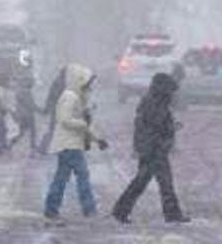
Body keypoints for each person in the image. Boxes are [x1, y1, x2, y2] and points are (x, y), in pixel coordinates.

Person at [112, 73, 190, 224]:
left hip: (152, 148)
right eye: (170, 90)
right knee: (162, 182)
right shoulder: (154, 103)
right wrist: (171, 129)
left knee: (143, 182)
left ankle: (121, 211)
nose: (172, 94)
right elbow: (155, 127)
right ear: (163, 89)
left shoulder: (154, 101)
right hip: (154, 149)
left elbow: (150, 126)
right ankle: (172, 215)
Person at [43, 63, 107, 223]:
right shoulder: (71, 97)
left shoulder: (74, 96)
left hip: (68, 144)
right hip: (69, 145)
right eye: (88, 83)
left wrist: (97, 139)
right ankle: (89, 209)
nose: (90, 87)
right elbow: (65, 120)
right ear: (80, 81)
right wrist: (84, 123)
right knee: (82, 176)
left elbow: (81, 124)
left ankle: (51, 209)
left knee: (61, 178)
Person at [36, 64, 67, 155]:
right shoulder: (60, 83)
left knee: (55, 129)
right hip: (59, 110)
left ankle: (44, 147)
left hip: (58, 109)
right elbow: (55, 97)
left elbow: (52, 96)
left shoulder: (59, 82)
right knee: (55, 129)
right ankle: (43, 148)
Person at [9, 74, 43, 154]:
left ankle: (12, 142)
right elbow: (30, 104)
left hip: (22, 115)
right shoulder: (25, 92)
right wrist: (40, 110)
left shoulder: (21, 91)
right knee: (32, 132)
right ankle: (33, 147)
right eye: (31, 82)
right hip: (27, 115)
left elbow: (29, 104)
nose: (32, 84)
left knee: (22, 132)